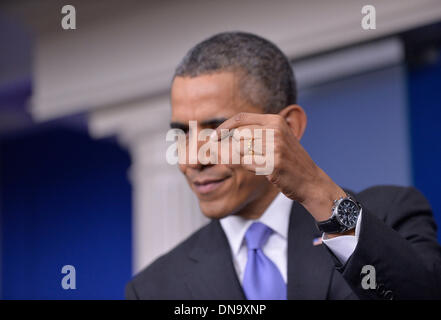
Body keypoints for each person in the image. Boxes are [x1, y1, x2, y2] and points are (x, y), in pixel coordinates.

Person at [125, 32, 441, 300]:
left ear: (289, 126)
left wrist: (318, 193)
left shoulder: (388, 214)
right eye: (182, 134)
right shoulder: (154, 289)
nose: (192, 160)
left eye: (217, 131)